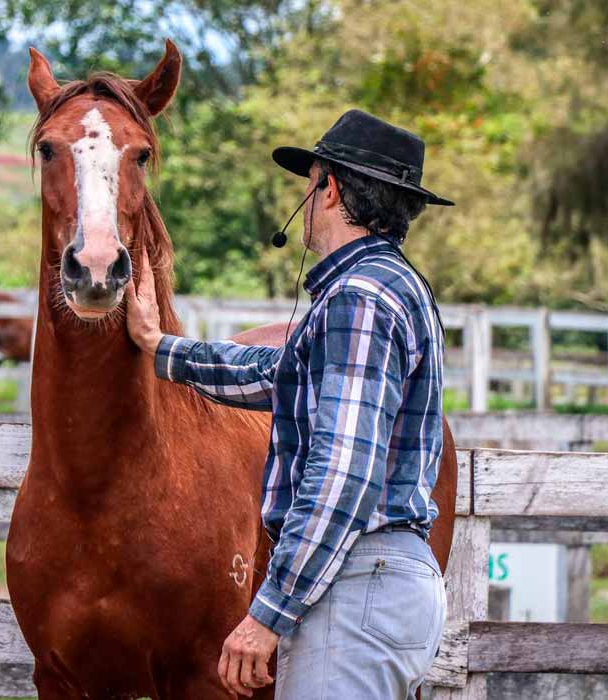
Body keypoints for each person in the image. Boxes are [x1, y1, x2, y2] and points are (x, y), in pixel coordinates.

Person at [126, 109, 453, 700]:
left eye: (310, 182)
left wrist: (267, 614)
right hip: (371, 583)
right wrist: (161, 349)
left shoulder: (358, 300)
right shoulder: (390, 286)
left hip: (356, 586)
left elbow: (343, 473)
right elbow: (280, 374)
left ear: (327, 188)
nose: (304, 197)